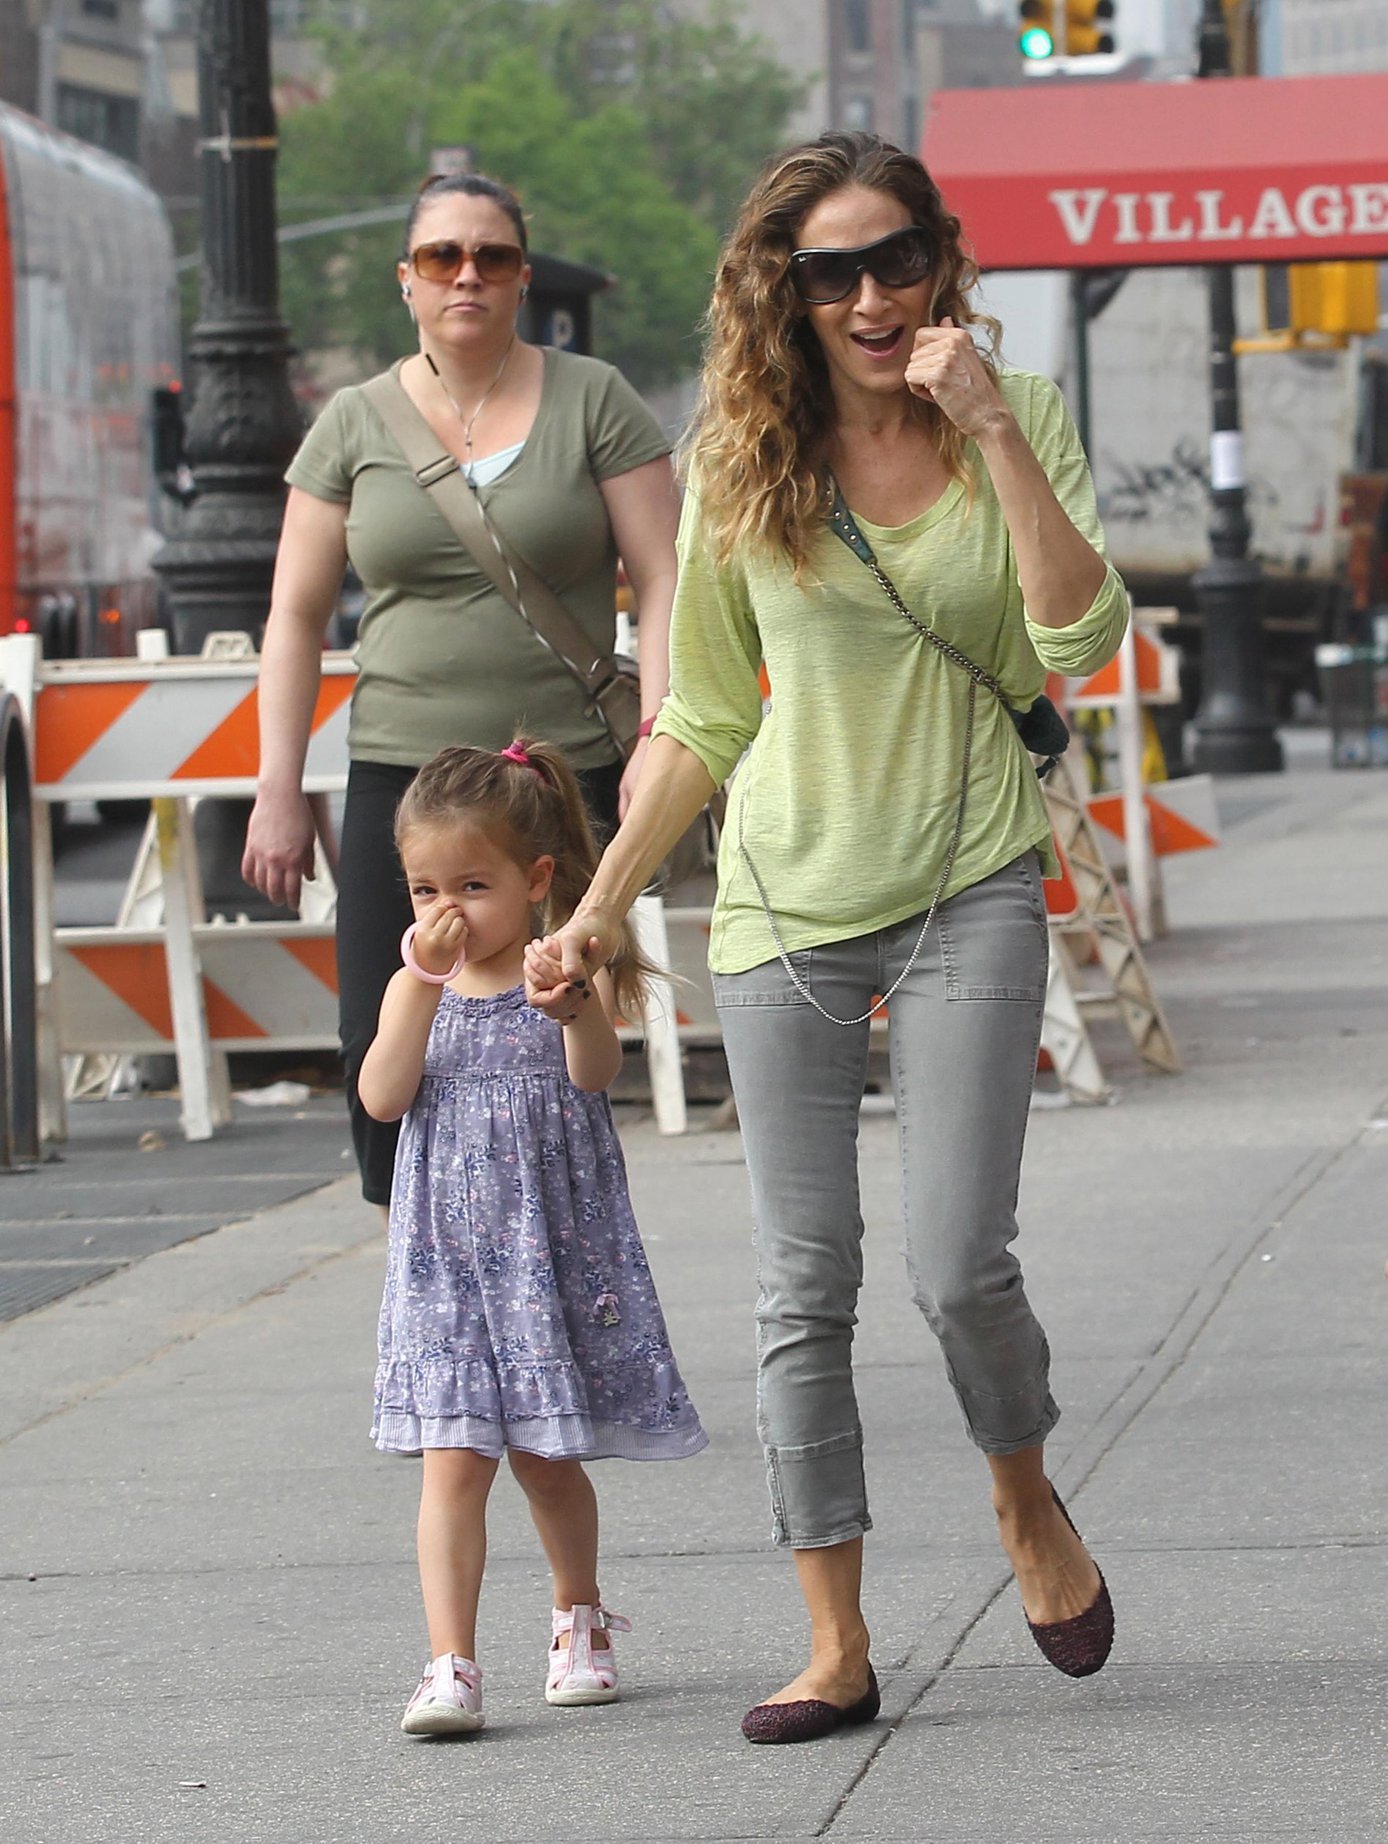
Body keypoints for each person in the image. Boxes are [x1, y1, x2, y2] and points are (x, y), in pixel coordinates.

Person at [536, 131, 1129, 1744]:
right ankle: (832, 1637)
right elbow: (704, 713)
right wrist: (595, 908)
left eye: (893, 259)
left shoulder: (1017, 416)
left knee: (953, 1264)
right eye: (828, 272)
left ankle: (1021, 1497)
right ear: (779, 292)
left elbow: (1075, 625)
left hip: (967, 884)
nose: (869, 297)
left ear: (938, 260)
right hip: (782, 907)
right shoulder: (739, 461)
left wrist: (987, 418)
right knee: (800, 1288)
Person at [243, 171, 679, 1211]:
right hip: (404, 778)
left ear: (523, 276)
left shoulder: (594, 399)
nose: (467, 274)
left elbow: (664, 576)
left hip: (555, 773)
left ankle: (550, 1249)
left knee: (555, 1016)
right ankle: (422, 1259)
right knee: (384, 1026)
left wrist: (660, 729)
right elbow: (295, 615)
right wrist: (275, 782)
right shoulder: (352, 422)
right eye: (443, 256)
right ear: (407, 280)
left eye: (491, 255)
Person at [357, 737, 706, 1736]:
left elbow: (596, 1073)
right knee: (452, 1459)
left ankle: (577, 1615)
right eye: (425, 887)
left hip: (543, 1258)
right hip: (447, 1269)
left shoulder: (558, 972)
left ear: (535, 879)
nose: (445, 909)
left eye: (472, 882)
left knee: (547, 1460)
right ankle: (450, 1662)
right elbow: (382, 1098)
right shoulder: (411, 991)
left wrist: (570, 1006)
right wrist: (418, 987)